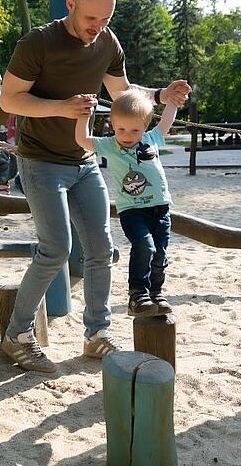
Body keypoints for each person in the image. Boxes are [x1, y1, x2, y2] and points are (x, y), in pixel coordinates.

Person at [0, 0, 190, 373]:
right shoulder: (38, 44)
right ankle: (17, 336)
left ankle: (96, 335)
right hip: (40, 159)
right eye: (91, 20)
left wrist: (159, 96)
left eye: (105, 20)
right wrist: (62, 107)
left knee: (101, 249)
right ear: (71, 5)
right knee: (56, 248)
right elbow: (10, 100)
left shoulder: (107, 42)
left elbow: (122, 93)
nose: (98, 28)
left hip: (84, 162)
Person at [75, 89, 177, 317]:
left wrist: (172, 101)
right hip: (133, 211)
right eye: (121, 129)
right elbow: (82, 140)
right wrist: (84, 116)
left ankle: (156, 294)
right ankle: (137, 295)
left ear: (145, 125)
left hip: (161, 210)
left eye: (134, 130)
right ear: (112, 124)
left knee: (160, 255)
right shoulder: (110, 145)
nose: (127, 135)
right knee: (145, 247)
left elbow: (166, 122)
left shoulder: (151, 138)